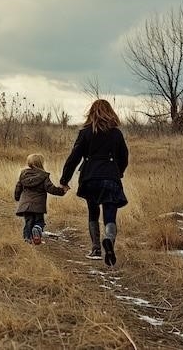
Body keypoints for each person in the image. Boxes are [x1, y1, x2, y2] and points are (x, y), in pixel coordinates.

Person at [60, 99, 129, 266]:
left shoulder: (85, 132)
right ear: (110, 112)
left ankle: (96, 249)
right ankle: (109, 240)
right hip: (110, 177)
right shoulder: (116, 133)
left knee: (93, 211)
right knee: (110, 212)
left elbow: (74, 158)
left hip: (90, 176)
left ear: (91, 112)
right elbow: (124, 157)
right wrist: (117, 172)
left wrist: (64, 180)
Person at [14, 153, 67, 245]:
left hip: (25, 205)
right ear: (41, 163)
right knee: (39, 222)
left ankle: (27, 239)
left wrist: (17, 197)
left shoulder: (23, 174)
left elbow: (18, 187)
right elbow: (50, 188)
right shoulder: (43, 176)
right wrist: (62, 191)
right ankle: (37, 229)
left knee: (28, 222)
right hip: (38, 205)